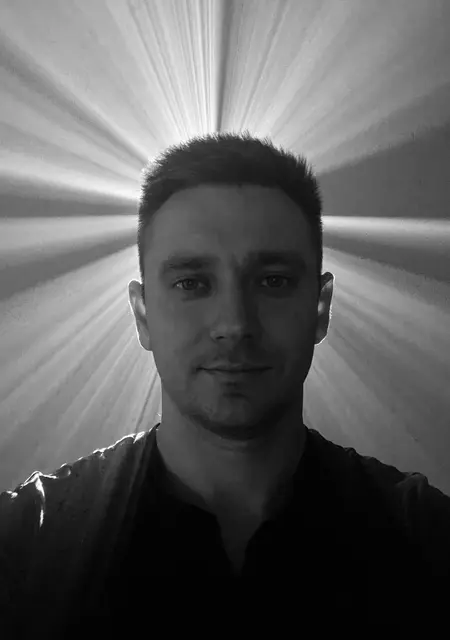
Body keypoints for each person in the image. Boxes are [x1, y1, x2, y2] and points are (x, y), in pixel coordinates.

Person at [0, 131, 449, 635]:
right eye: (192, 283)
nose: (234, 324)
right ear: (143, 315)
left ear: (321, 308)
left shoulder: (429, 539)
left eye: (273, 280)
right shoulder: (21, 543)